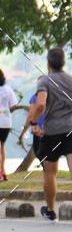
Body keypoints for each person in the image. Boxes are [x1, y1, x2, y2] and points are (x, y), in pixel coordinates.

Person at [29, 47, 72, 221]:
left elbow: (40, 104)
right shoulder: (70, 80)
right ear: (64, 62)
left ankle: (51, 210)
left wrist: (33, 123)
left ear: (48, 63)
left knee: (50, 172)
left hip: (52, 132)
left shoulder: (44, 80)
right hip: (70, 129)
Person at [0, 69, 17, 181]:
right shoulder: (8, 89)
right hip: (6, 123)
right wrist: (6, 111)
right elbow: (13, 105)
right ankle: (3, 171)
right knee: (1, 147)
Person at [18, 92, 45, 167]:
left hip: (38, 129)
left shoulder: (36, 97)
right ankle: (50, 173)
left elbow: (30, 116)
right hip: (53, 128)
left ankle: (48, 173)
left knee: (39, 152)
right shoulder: (53, 95)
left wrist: (23, 132)